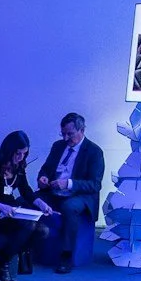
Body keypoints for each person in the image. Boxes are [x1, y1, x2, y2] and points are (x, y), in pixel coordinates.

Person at [0, 131, 52, 281]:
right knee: (29, 226)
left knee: (43, 231)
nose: (21, 157)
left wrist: (41, 203)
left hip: (8, 212)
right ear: (9, 150)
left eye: (24, 154)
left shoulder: (18, 165)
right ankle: (3, 265)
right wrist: (1, 206)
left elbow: (25, 190)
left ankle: (0, 262)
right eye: (18, 153)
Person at [35, 113, 107, 272]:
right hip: (54, 191)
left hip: (79, 195)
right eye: (63, 134)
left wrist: (68, 183)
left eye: (70, 134)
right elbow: (45, 169)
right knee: (25, 199)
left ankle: (66, 255)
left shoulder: (94, 152)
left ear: (82, 130)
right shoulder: (57, 146)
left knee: (69, 207)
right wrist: (43, 178)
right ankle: (24, 247)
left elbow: (95, 185)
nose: (66, 138)